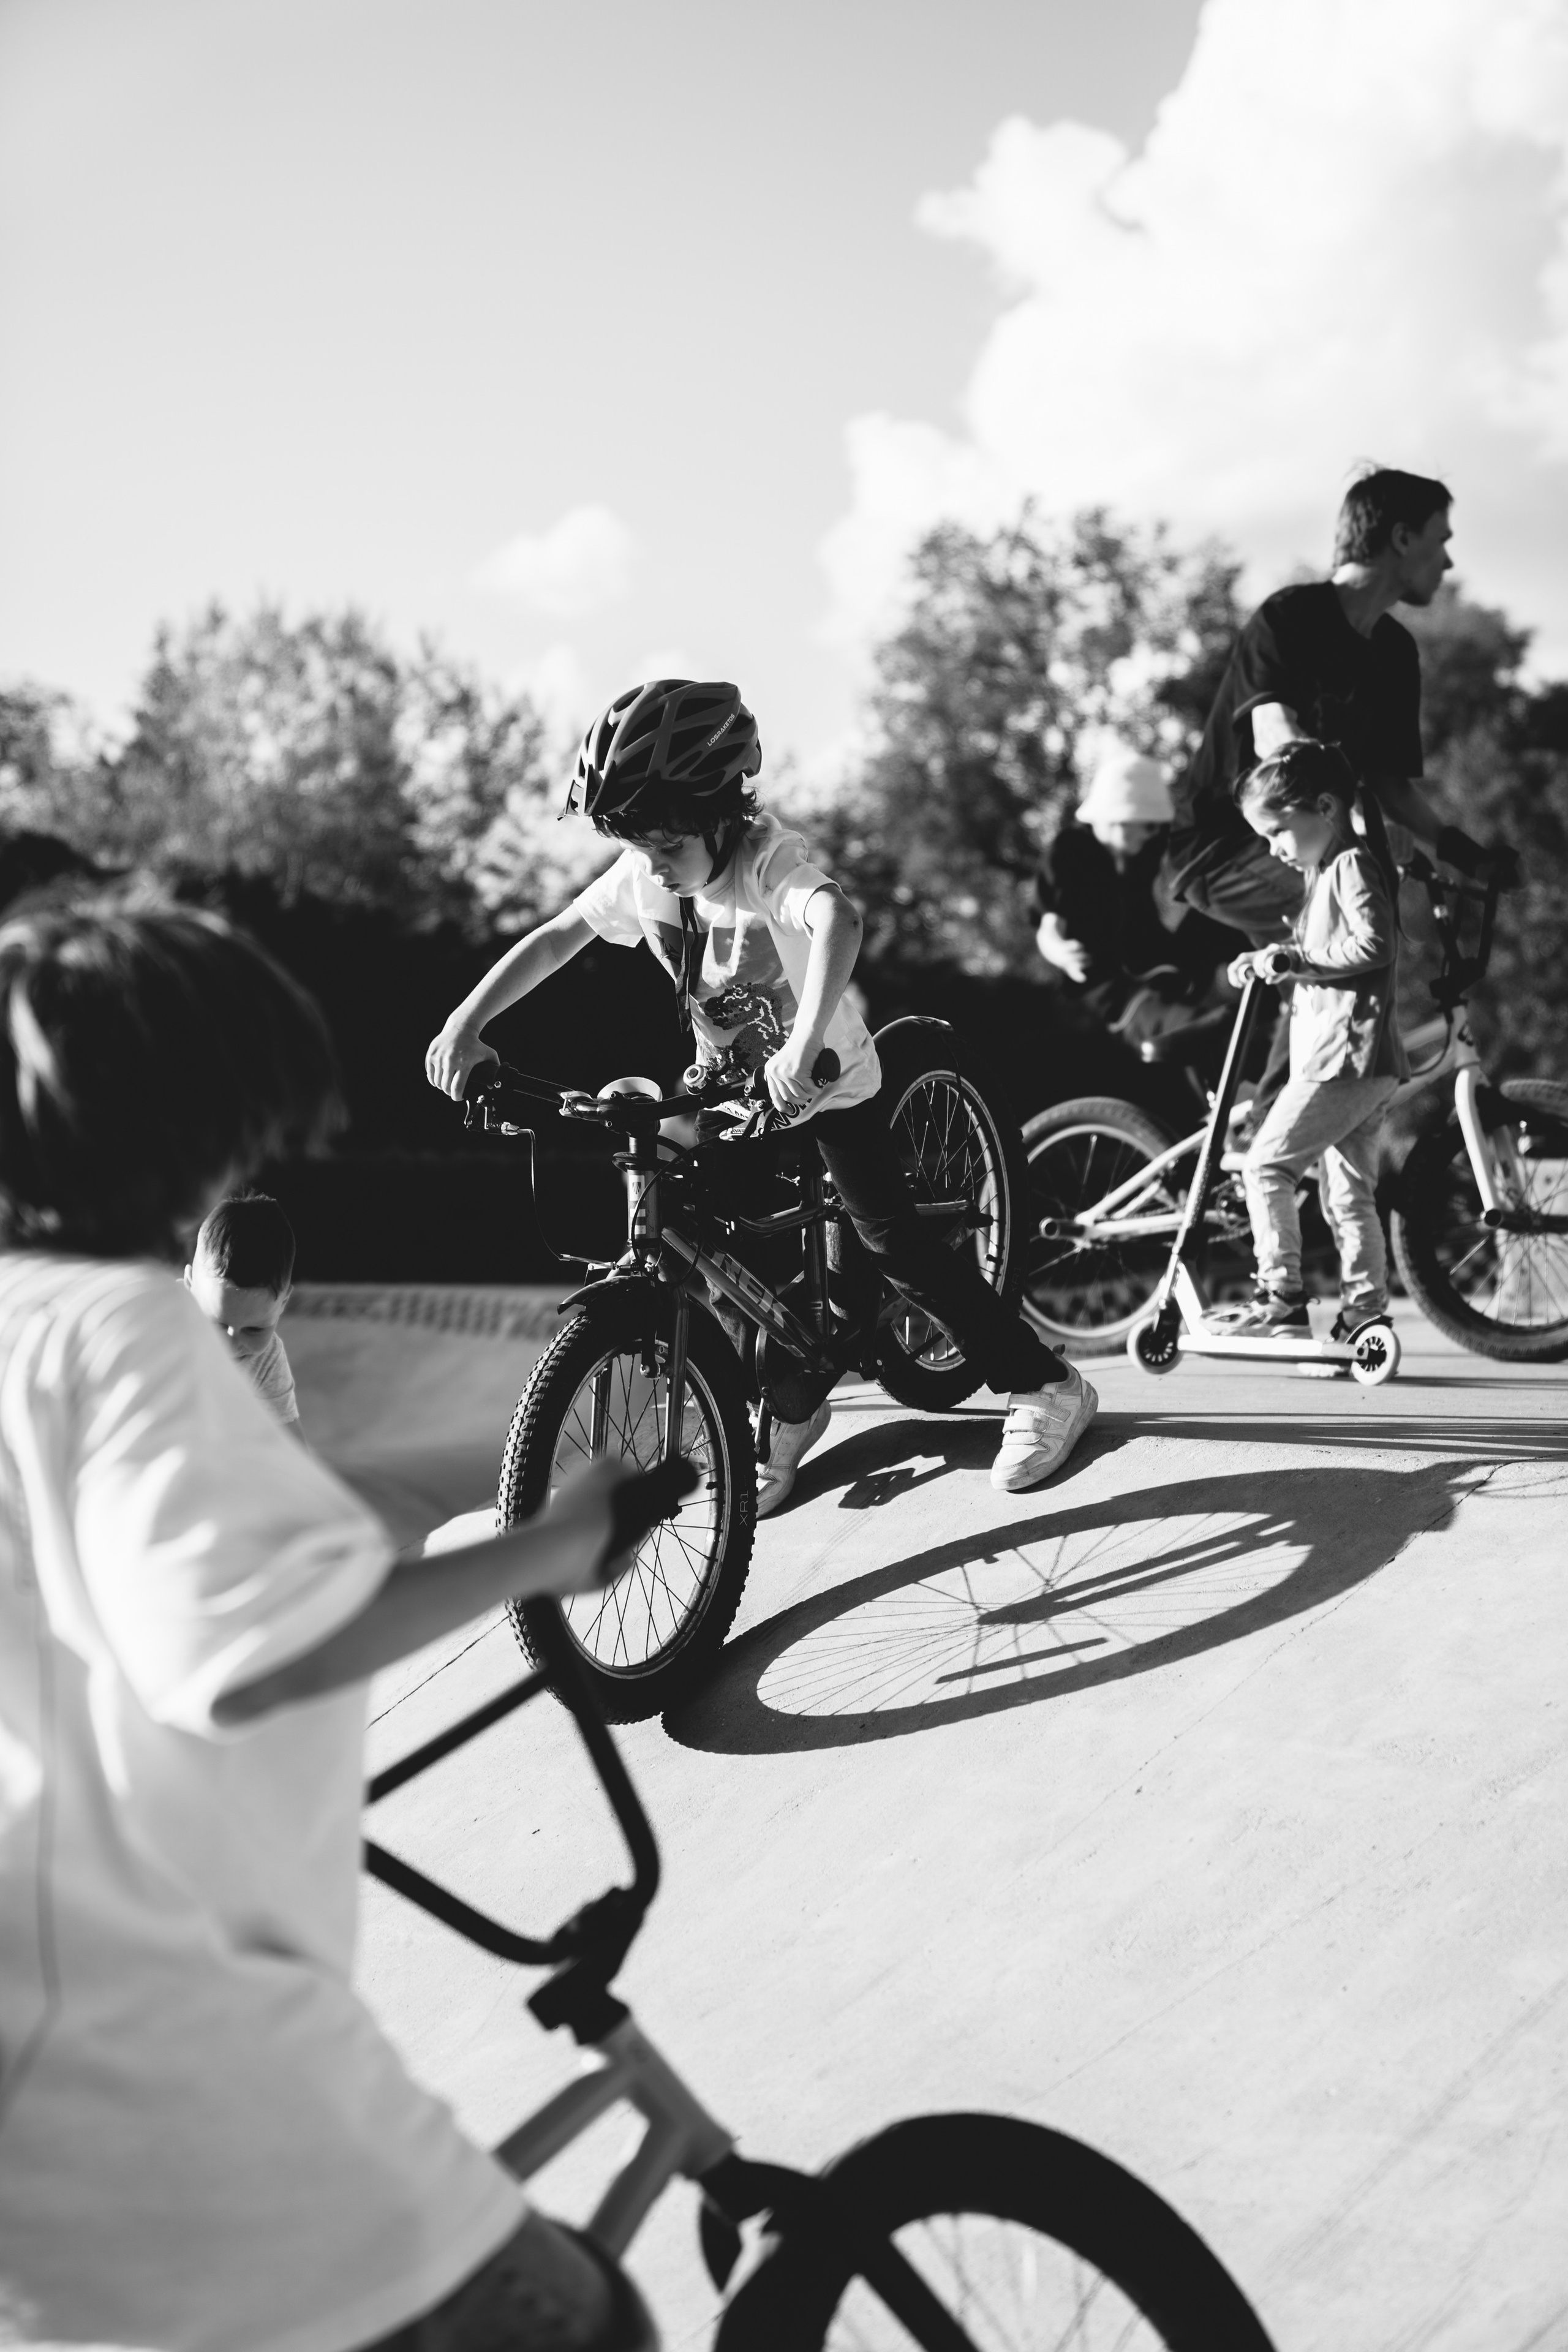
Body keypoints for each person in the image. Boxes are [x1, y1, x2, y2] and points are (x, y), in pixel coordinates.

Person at [0, 894, 652, 2352]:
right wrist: (545, 1548)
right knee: (582, 2326)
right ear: (173, 1129)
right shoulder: (120, 1326)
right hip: (161, 2075)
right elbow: (240, 1655)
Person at [426, 678, 1098, 1514]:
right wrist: (466, 1022)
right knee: (689, 1226)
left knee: (891, 1244)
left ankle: (1045, 1382)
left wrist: (807, 1040)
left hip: (826, 1088)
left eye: (665, 845)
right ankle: (788, 1399)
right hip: (730, 1094)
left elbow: (838, 923)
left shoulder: (765, 863)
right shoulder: (648, 875)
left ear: (715, 811)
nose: (652, 865)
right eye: (636, 847)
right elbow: (560, 936)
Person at [1167, 467, 1515, 1108]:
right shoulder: (1290, 618)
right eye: (1441, 540)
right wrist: (1358, 832)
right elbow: (1277, 734)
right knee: (1350, 931)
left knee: (1332, 955)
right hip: (1223, 847)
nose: (1448, 559)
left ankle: (1268, 1135)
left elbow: (1390, 783)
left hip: (1310, 844)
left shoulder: (1393, 652)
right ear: (1402, 538)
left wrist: (1464, 853)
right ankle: (1282, 1128)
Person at [1217, 742, 1408, 1338]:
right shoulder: (1323, 871)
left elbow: (1376, 946)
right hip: (1362, 1062)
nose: (1273, 848)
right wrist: (1265, 959)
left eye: (1277, 831)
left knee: (1265, 1166)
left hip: (1345, 1058)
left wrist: (1295, 959)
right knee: (1348, 1194)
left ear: (1323, 807)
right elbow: (1308, 956)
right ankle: (1364, 1314)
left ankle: (1280, 1294)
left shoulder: (1350, 864)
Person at [1033, 738, 1241, 1040]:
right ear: (1119, 818)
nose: (1155, 833)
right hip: (1116, 993)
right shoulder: (1070, 851)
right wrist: (1062, 953)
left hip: (1170, 973)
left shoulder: (1149, 847)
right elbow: (1049, 925)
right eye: (1148, 825)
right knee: (1198, 1030)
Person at [186, 1189, 303, 1429]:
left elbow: (290, 1447)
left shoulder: (267, 1361)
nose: (231, 1345)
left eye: (254, 1330)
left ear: (283, 1303)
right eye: (217, 1325)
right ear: (187, 1289)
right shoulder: (157, 1325)